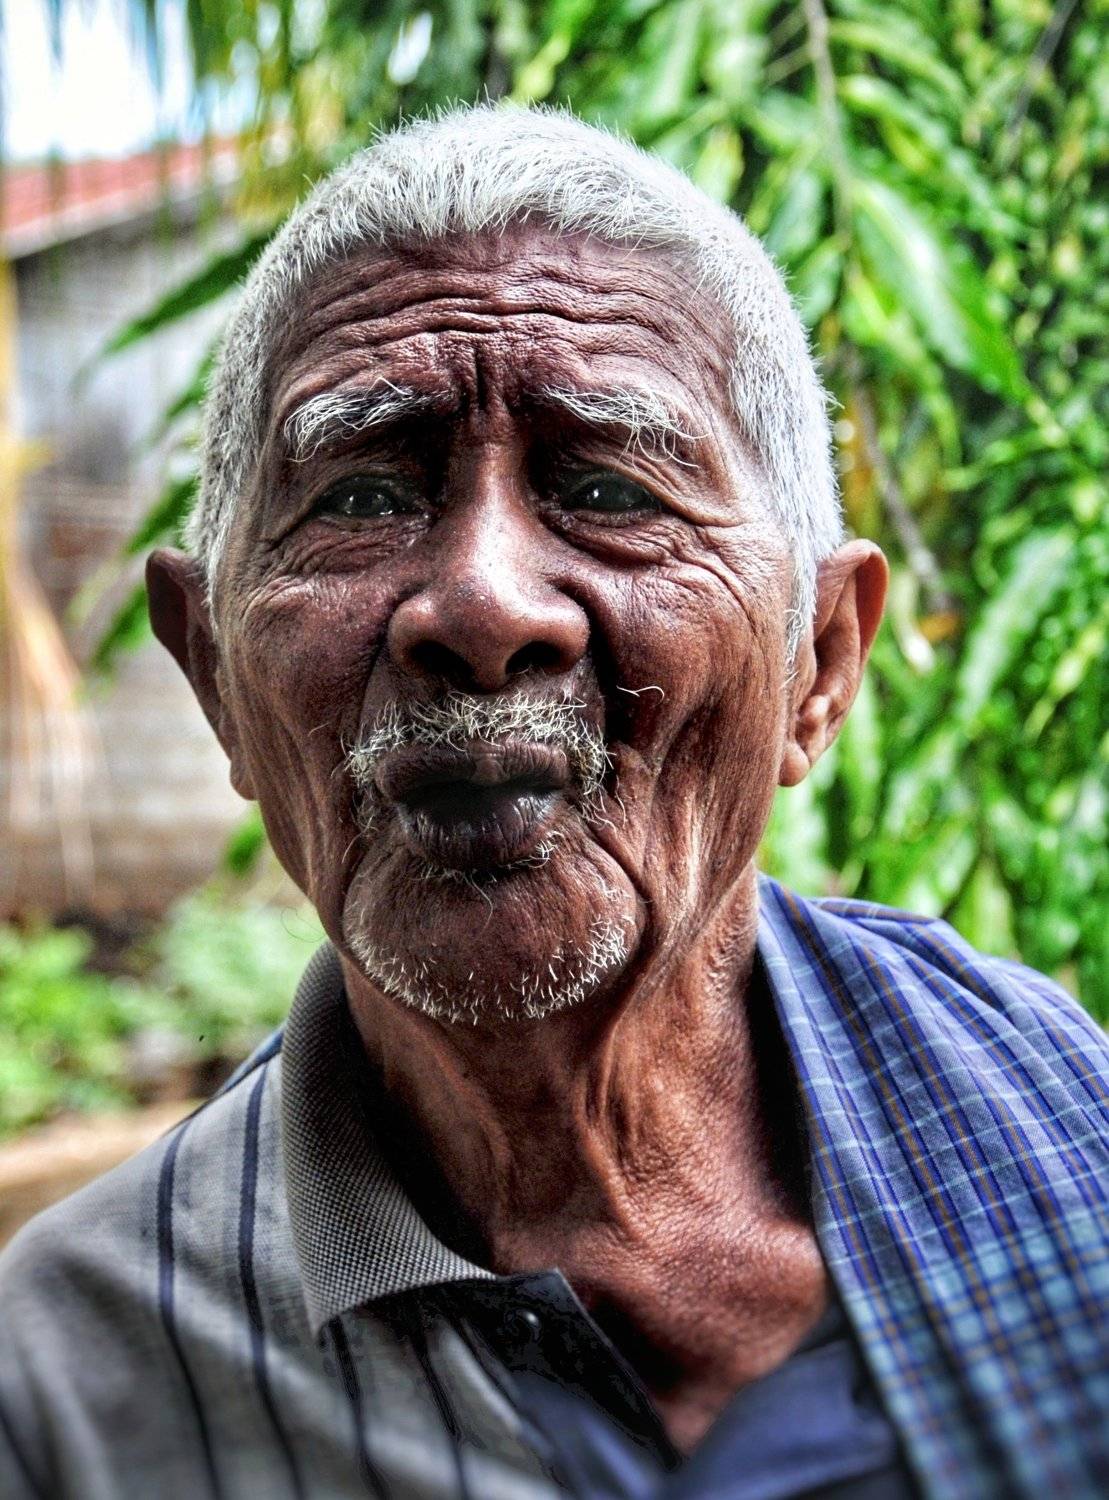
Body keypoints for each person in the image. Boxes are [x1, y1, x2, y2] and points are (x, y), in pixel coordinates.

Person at [1, 105, 1106, 1500]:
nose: (481, 605)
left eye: (607, 486)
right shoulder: (68, 1388)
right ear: (214, 674)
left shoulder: (1066, 1132)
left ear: (819, 664)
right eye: (360, 496)